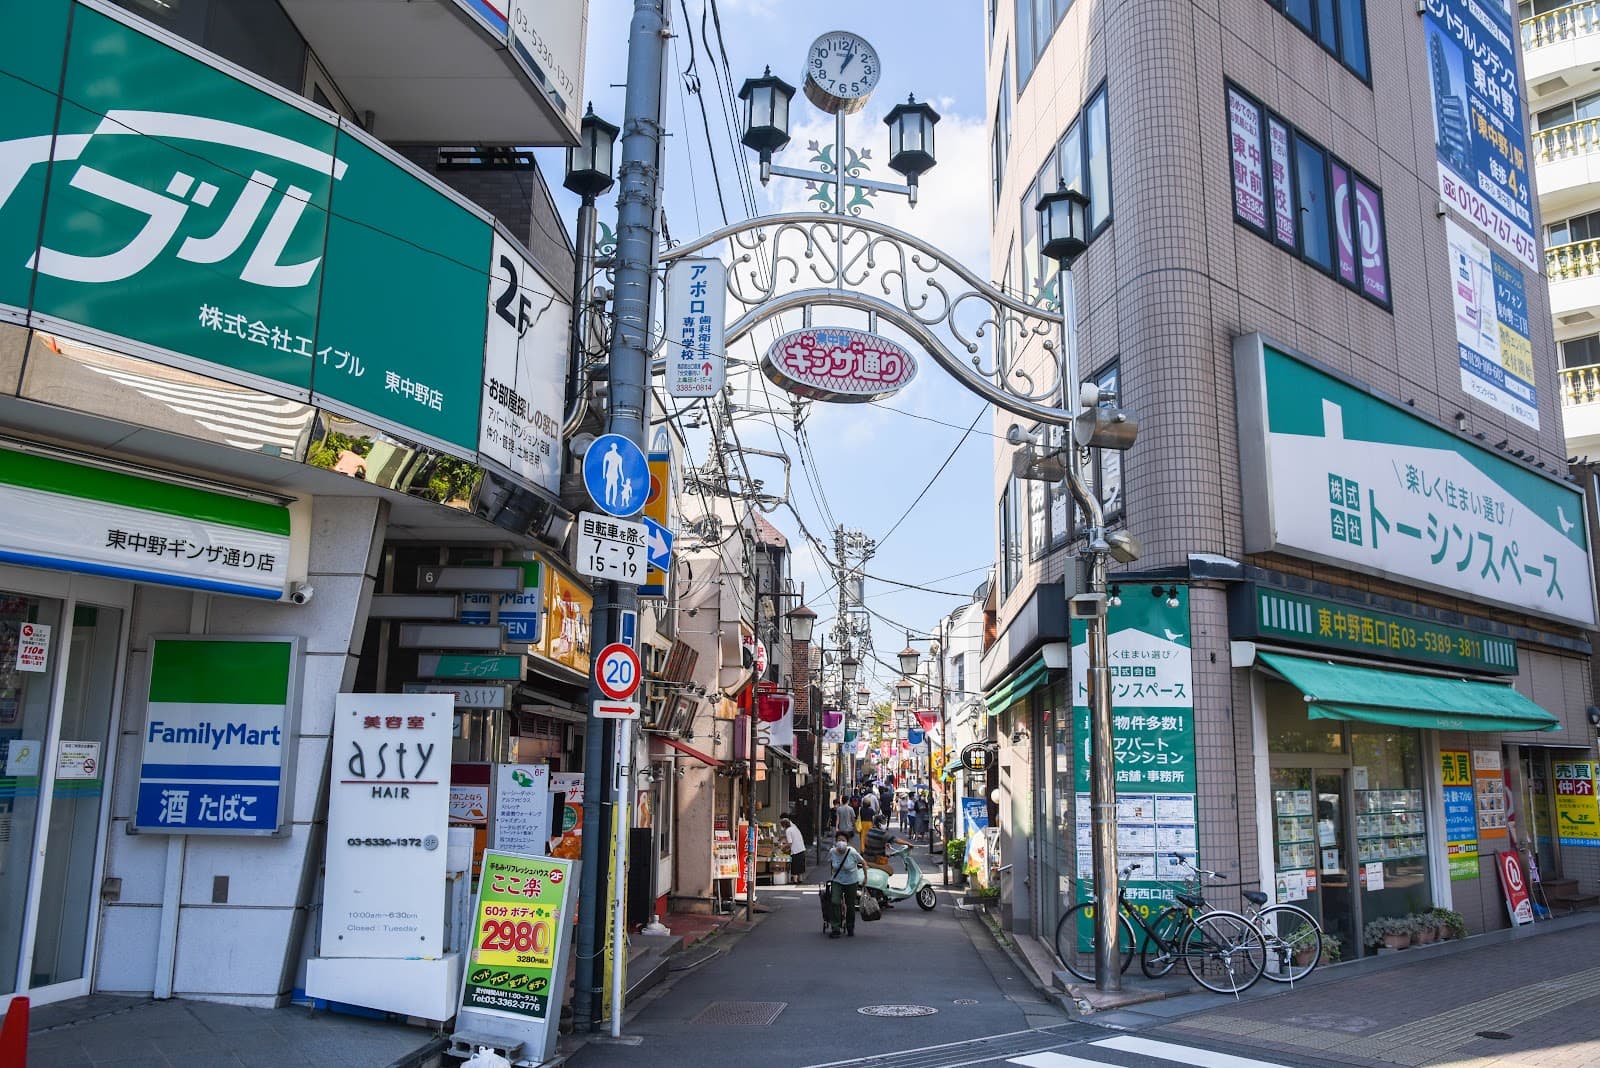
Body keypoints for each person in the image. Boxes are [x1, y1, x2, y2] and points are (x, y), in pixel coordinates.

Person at [825, 831, 866, 938]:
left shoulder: (852, 852)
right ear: (835, 842)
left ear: (847, 842)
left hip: (851, 881)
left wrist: (866, 878)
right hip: (837, 881)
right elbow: (831, 865)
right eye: (839, 840)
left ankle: (850, 926)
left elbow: (863, 862)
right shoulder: (832, 852)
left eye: (843, 840)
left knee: (851, 905)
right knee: (834, 902)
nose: (841, 842)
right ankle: (835, 928)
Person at [864, 813, 913, 878]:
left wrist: (887, 854)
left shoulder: (869, 831)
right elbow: (896, 840)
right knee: (890, 871)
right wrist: (908, 843)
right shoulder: (882, 834)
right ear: (879, 823)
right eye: (884, 822)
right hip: (875, 861)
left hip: (867, 858)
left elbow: (876, 846)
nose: (885, 824)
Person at [780, 816, 806, 881]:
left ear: (784, 825)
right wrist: (783, 837)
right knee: (800, 867)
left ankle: (795, 880)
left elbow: (790, 843)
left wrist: (782, 847)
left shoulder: (788, 830)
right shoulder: (794, 828)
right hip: (802, 849)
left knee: (795, 867)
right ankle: (800, 880)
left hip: (795, 851)